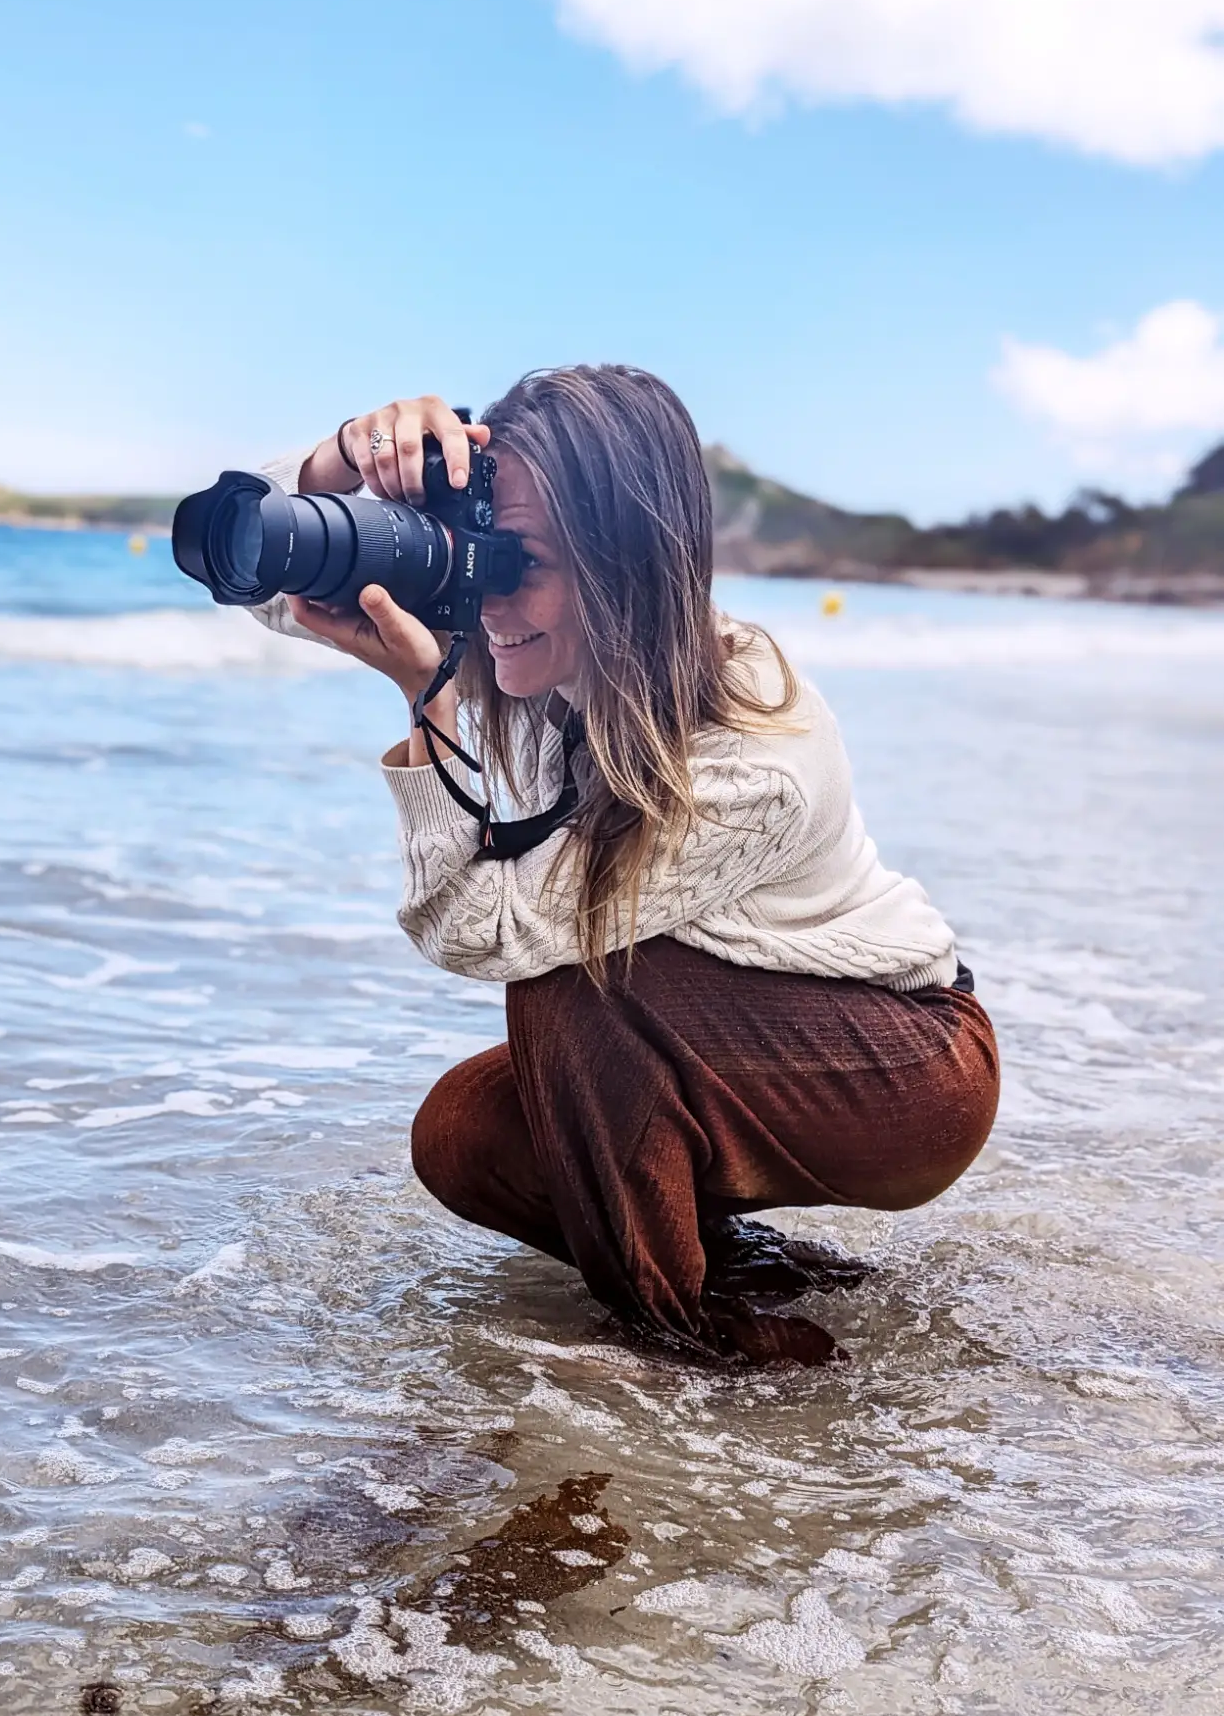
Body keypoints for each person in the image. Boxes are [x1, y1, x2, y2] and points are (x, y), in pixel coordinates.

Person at [248, 365, 998, 1365]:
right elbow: (262, 575)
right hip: (726, 1031)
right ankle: (737, 1267)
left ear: (628, 569)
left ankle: (674, 1336)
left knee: (573, 981)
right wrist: (349, 458)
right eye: (486, 552)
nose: (495, 592)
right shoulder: (536, 627)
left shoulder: (753, 756)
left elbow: (490, 929)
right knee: (465, 1135)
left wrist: (427, 701)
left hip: (902, 1067)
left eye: (528, 561)